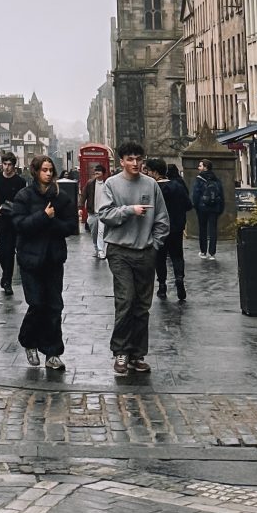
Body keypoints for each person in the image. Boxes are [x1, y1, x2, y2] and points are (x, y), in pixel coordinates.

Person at [97, 142, 170, 377]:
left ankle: (137, 354)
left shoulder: (151, 185)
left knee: (142, 306)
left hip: (145, 251)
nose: (135, 163)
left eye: (139, 159)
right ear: (121, 161)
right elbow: (105, 214)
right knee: (126, 300)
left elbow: (162, 219)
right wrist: (130, 210)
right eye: (130, 159)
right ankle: (120, 351)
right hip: (119, 251)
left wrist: (154, 245)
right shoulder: (111, 184)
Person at [2, 156, 76, 370]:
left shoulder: (60, 198)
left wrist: (51, 222)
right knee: (37, 304)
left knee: (54, 306)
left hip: (53, 258)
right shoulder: (24, 196)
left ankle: (53, 353)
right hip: (30, 259)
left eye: (51, 169)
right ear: (35, 172)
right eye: (44, 169)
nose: (49, 173)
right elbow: (19, 224)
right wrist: (43, 217)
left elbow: (70, 226)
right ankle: (29, 341)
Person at [149, 158, 191, 303]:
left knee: (160, 258)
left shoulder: (152, 188)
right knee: (177, 256)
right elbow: (188, 204)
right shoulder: (178, 186)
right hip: (176, 228)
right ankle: (179, 278)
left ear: (154, 172)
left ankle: (162, 286)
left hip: (158, 229)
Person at [0, 153, 25, 295]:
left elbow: (22, 200)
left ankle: (7, 281)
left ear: (14, 165)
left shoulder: (20, 181)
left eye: (9, 164)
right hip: (1, 218)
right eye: (5, 164)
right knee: (0, 251)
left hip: (14, 219)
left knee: (9, 251)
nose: (7, 167)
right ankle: (5, 274)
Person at [190, 160, 225, 259]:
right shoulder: (215, 178)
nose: (198, 168)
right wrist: (220, 208)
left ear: (205, 167)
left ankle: (203, 251)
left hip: (202, 208)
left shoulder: (199, 179)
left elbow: (196, 194)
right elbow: (221, 194)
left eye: (200, 166)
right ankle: (212, 253)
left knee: (203, 229)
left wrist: (196, 205)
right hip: (214, 208)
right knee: (213, 230)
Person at [87, 160, 111, 260]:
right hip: (92, 212)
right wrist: (80, 207)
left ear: (103, 173)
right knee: (94, 232)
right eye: (95, 172)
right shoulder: (90, 183)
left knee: (101, 232)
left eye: (98, 172)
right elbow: (84, 195)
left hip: (103, 212)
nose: (96, 173)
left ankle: (101, 251)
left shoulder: (107, 184)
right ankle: (96, 248)